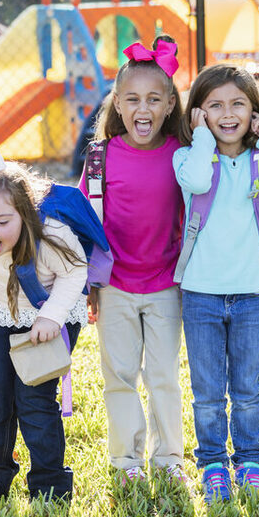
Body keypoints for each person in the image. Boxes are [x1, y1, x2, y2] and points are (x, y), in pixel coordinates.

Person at [173, 63, 259, 503]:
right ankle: (213, 463)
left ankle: (250, 460)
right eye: (214, 105)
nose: (227, 113)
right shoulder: (188, 156)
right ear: (198, 113)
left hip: (252, 293)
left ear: (254, 112)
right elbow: (196, 181)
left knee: (247, 389)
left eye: (238, 104)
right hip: (200, 294)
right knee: (208, 392)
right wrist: (200, 138)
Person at [78, 36, 192, 486]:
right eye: (132, 99)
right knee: (120, 376)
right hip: (115, 288)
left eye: (153, 99)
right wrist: (89, 285)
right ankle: (127, 463)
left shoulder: (183, 157)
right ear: (118, 106)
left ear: (169, 105)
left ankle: (170, 461)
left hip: (167, 285)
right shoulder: (100, 158)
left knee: (163, 376)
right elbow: (84, 224)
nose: (142, 109)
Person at [0, 153, 88, 501]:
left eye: (2, 221)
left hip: (48, 316)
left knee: (34, 400)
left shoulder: (51, 233)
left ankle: (50, 485)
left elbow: (76, 273)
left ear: (24, 212)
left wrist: (51, 316)